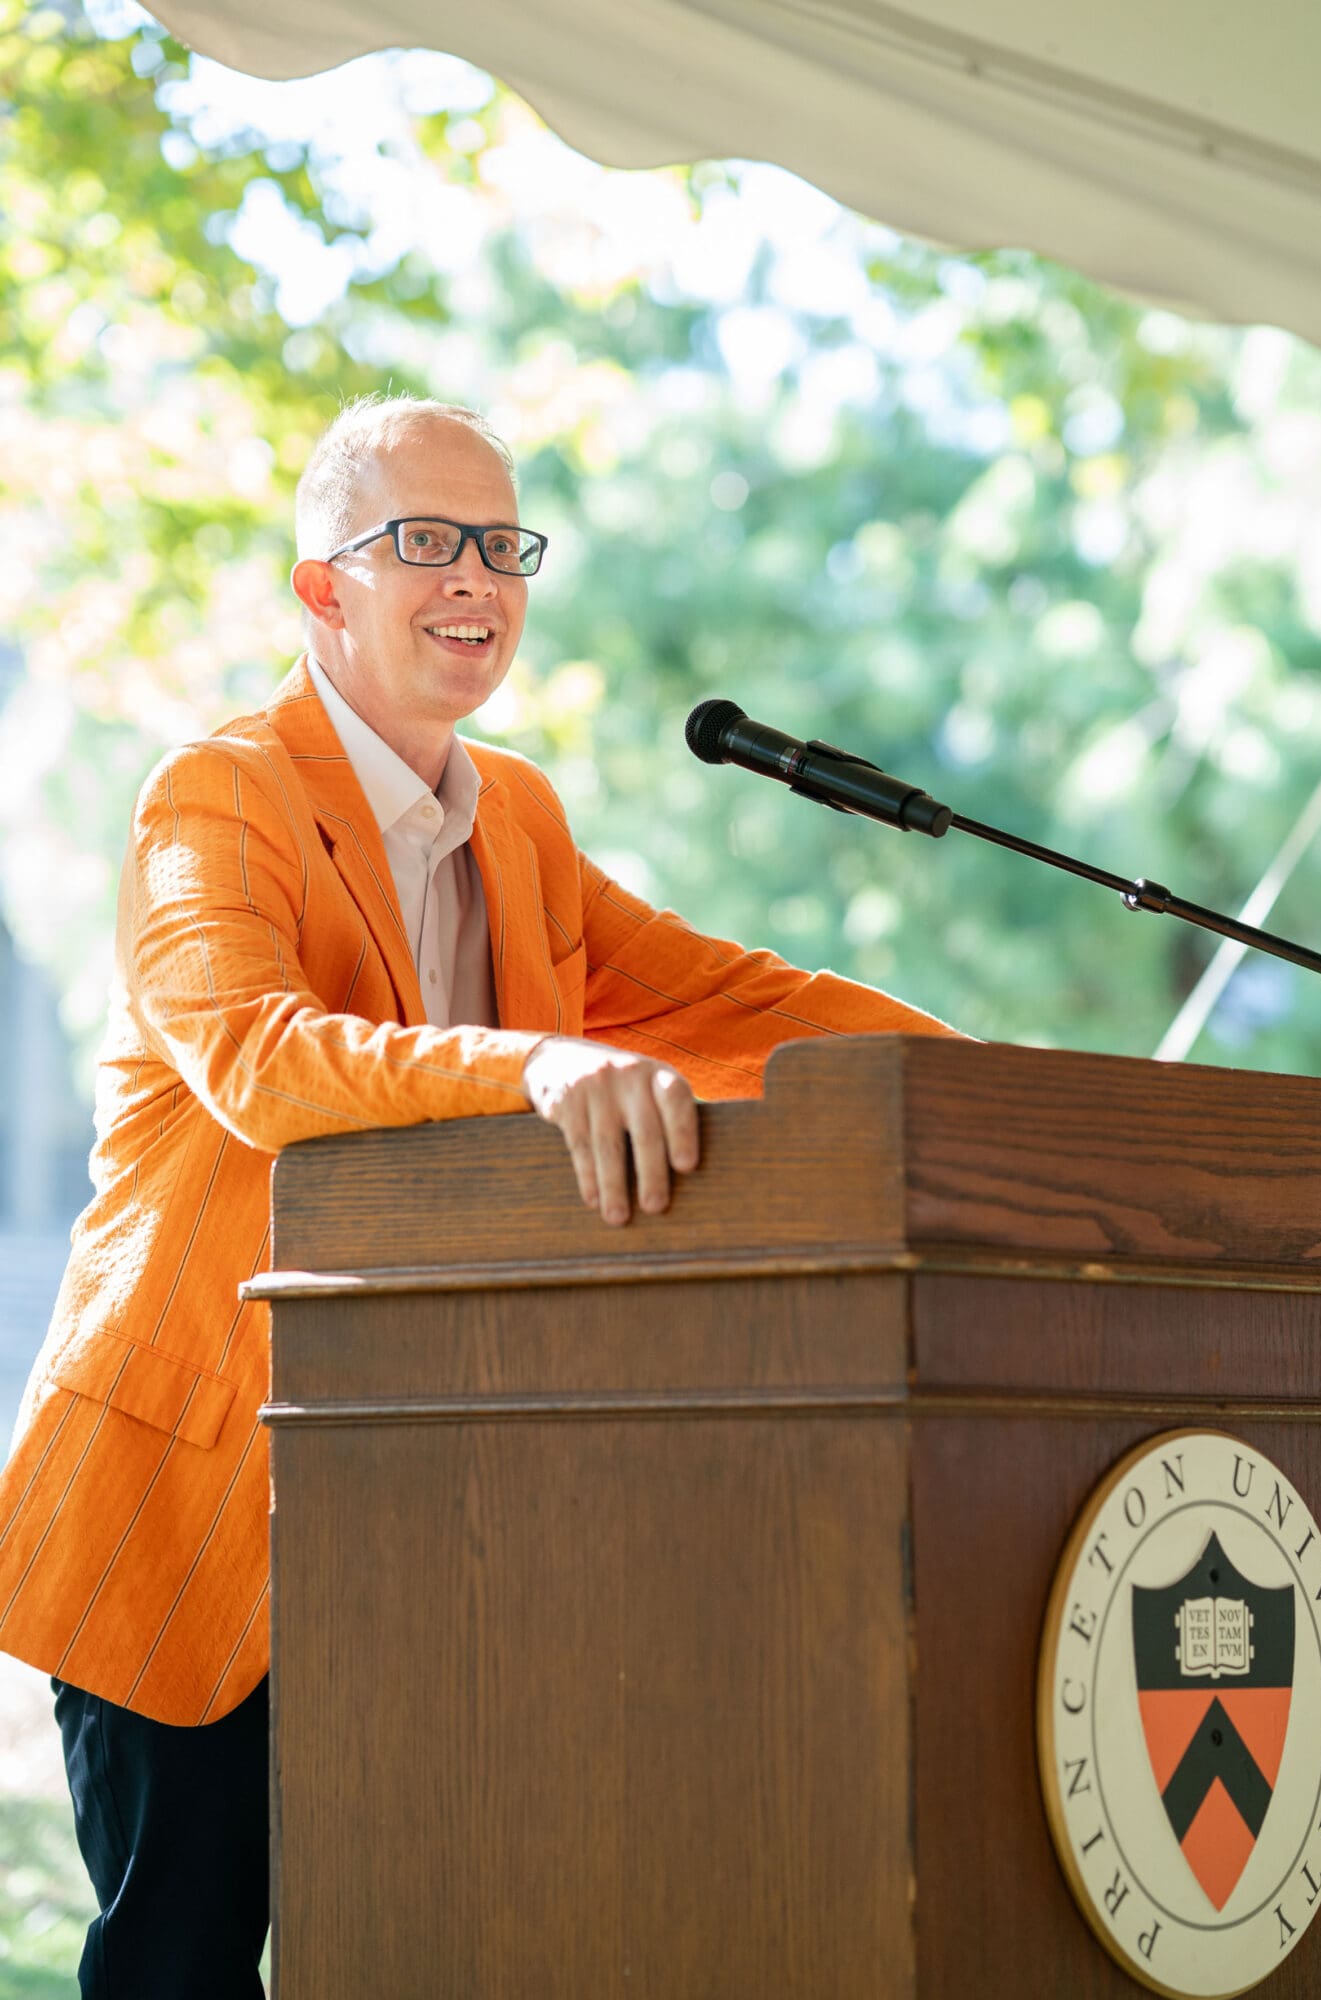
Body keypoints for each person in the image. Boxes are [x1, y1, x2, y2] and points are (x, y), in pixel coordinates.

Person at [0, 394, 954, 1997]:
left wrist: (1001, 1085)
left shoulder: (515, 816)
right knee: (176, 1967)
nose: (476, 580)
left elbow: (727, 999)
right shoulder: (213, 796)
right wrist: (534, 1070)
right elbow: (259, 1060)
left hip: (431, 1505)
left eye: (503, 547)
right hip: (193, 1496)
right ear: (323, 589)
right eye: (428, 542)